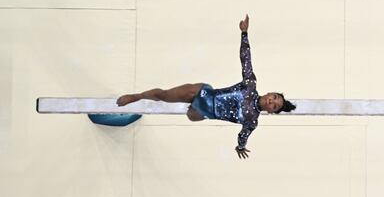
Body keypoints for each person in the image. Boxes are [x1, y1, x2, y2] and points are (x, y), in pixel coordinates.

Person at [115, 14, 295, 159]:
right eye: (274, 97)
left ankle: (192, 109)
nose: (271, 102)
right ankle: (136, 96)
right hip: (202, 93)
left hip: (203, 112)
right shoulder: (250, 85)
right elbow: (246, 59)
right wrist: (244, 33)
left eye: (274, 106)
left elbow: (243, 136)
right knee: (164, 95)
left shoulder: (251, 121)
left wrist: (240, 147)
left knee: (191, 115)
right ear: (270, 93)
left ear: (270, 112)